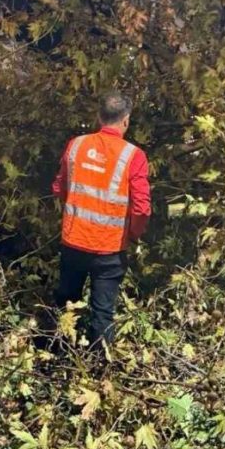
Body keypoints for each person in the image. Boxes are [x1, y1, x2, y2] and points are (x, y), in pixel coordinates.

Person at [52, 91, 151, 351]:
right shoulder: (134, 156)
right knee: (102, 313)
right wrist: (133, 235)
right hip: (110, 249)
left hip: (73, 242)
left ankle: (59, 357)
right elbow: (141, 209)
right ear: (126, 120)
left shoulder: (76, 145)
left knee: (66, 304)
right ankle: (99, 371)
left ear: (99, 116)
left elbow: (59, 187)